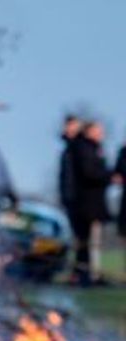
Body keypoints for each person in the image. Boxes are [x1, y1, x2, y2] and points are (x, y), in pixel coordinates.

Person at [62, 117, 112, 284]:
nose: (101, 134)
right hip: (87, 204)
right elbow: (89, 173)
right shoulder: (83, 149)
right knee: (87, 242)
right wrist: (109, 176)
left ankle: (84, 274)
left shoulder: (85, 148)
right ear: (89, 131)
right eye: (98, 130)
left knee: (85, 241)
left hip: (86, 203)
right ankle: (87, 275)